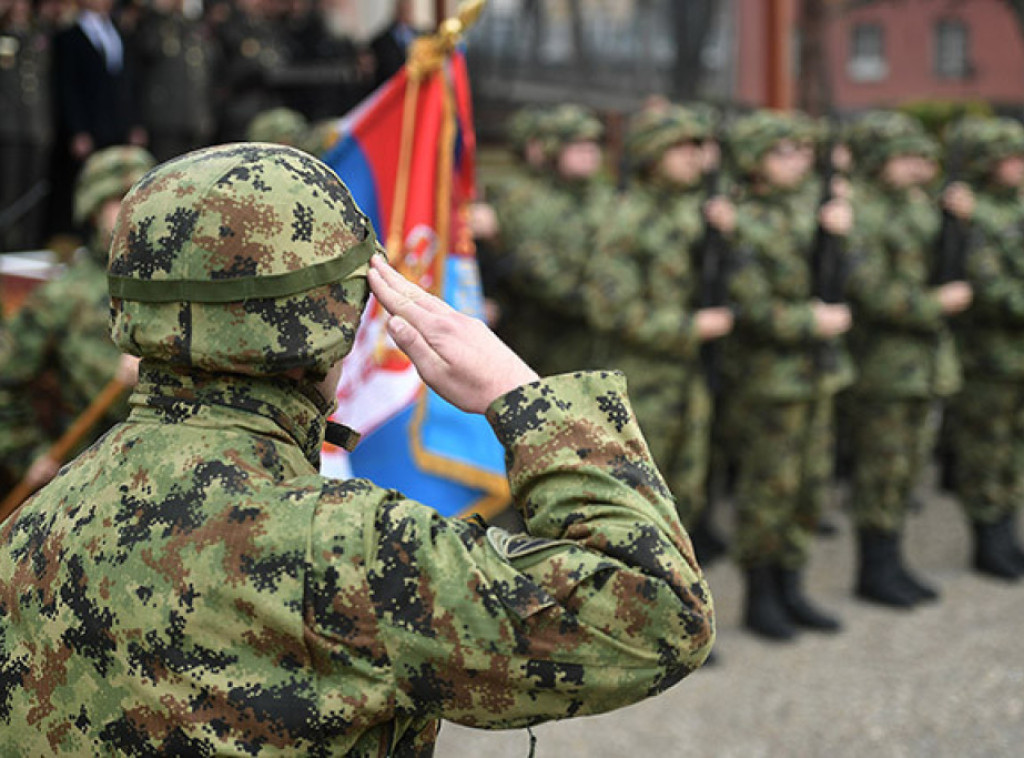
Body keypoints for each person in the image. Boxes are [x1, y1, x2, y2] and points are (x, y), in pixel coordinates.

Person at [0, 143, 714, 753]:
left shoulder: (30, 527)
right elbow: (658, 615)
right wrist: (523, 398)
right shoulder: (346, 546)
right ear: (335, 320)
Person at [722, 110, 854, 641]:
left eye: (802, 150)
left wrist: (840, 232)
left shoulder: (815, 209)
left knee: (808, 486)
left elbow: (845, 275)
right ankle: (761, 595)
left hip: (818, 374)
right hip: (769, 378)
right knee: (768, 488)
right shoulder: (740, 219)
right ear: (756, 160)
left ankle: (793, 585)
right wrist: (809, 320)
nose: (798, 159)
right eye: (784, 151)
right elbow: (745, 305)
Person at [584, 102, 734, 531]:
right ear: (652, 154)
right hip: (643, 386)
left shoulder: (695, 212)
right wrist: (690, 328)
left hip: (687, 378)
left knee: (685, 496)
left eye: (699, 145)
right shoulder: (627, 218)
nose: (694, 155)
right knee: (640, 506)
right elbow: (610, 310)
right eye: (681, 146)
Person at [844, 111, 973, 607]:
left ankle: (894, 560)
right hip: (884, 365)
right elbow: (870, 290)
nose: (917, 166)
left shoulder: (919, 206)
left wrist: (957, 219)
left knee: (907, 468)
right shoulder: (863, 212)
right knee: (882, 467)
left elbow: (943, 262)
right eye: (905, 157)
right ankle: (873, 569)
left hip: (924, 363)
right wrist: (933, 305)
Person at [0, 145, 152, 497]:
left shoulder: (181, 287)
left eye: (141, 196)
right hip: (86, 483)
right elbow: (6, 384)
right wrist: (28, 456)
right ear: (93, 209)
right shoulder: (61, 299)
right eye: (118, 198)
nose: (131, 208)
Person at [945, 115, 1024, 579]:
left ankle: (1006, 532)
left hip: (1017, 356)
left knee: (1013, 449)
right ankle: (988, 540)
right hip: (988, 356)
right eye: (1009, 158)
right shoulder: (971, 215)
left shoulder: (1013, 208)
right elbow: (990, 287)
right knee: (985, 450)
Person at [497, 103, 613, 377]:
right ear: (554, 150)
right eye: (577, 145)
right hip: (546, 345)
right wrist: (601, 304)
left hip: (601, 347)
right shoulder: (527, 201)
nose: (589, 152)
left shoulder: (609, 199)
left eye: (593, 144)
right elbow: (535, 270)